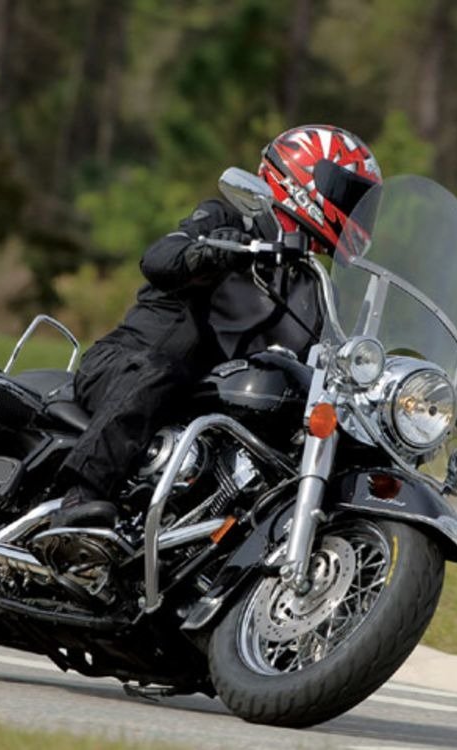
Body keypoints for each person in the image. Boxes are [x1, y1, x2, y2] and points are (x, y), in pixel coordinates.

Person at [52, 125, 382, 529]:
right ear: (304, 179)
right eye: (349, 195)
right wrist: (207, 252)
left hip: (203, 406)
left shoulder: (313, 291)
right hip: (124, 365)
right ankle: (80, 500)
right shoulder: (227, 221)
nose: (357, 211)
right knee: (161, 371)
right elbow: (158, 259)